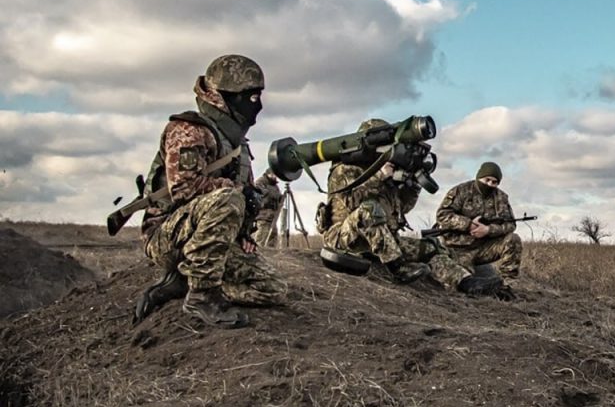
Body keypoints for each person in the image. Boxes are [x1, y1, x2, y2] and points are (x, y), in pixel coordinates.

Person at [132, 54, 287, 328]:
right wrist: (237, 194)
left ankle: (183, 282)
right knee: (228, 198)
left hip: (208, 237)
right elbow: (185, 188)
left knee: (272, 289)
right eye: (251, 97)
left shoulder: (239, 145)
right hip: (168, 238)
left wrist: (242, 232)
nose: (258, 105)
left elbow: (243, 195)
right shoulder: (188, 130)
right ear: (226, 96)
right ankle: (202, 295)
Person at [319, 119, 499, 296]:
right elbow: (351, 201)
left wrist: (413, 186)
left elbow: (402, 208)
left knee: (432, 247)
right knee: (369, 208)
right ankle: (398, 268)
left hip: (382, 241)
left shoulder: (387, 170)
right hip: (345, 238)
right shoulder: (345, 168)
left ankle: (467, 283)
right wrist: (380, 176)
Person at [433, 162, 522, 295]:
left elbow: (510, 225)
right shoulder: (460, 191)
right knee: (463, 282)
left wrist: (488, 230)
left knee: (513, 239)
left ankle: (506, 286)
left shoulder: (501, 198)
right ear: (479, 177)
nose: (490, 184)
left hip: (484, 248)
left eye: (494, 182)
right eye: (487, 180)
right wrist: (468, 225)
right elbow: (442, 215)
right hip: (458, 249)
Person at [252, 169, 283, 247]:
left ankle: (271, 252)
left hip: (272, 217)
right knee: (262, 238)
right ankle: (258, 252)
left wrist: (281, 198)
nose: (275, 177)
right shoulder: (260, 182)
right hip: (263, 216)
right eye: (273, 175)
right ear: (268, 174)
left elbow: (278, 197)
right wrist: (275, 195)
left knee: (273, 238)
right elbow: (265, 194)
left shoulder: (275, 185)